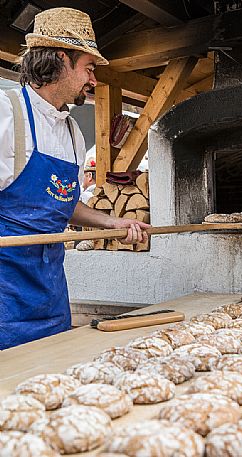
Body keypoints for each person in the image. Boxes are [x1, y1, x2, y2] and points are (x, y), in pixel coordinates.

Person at [0, 7, 150, 350]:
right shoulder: (6, 113)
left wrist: (107, 221)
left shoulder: (71, 133)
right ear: (59, 59)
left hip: (49, 291)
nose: (93, 80)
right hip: (4, 294)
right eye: (89, 68)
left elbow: (61, 201)